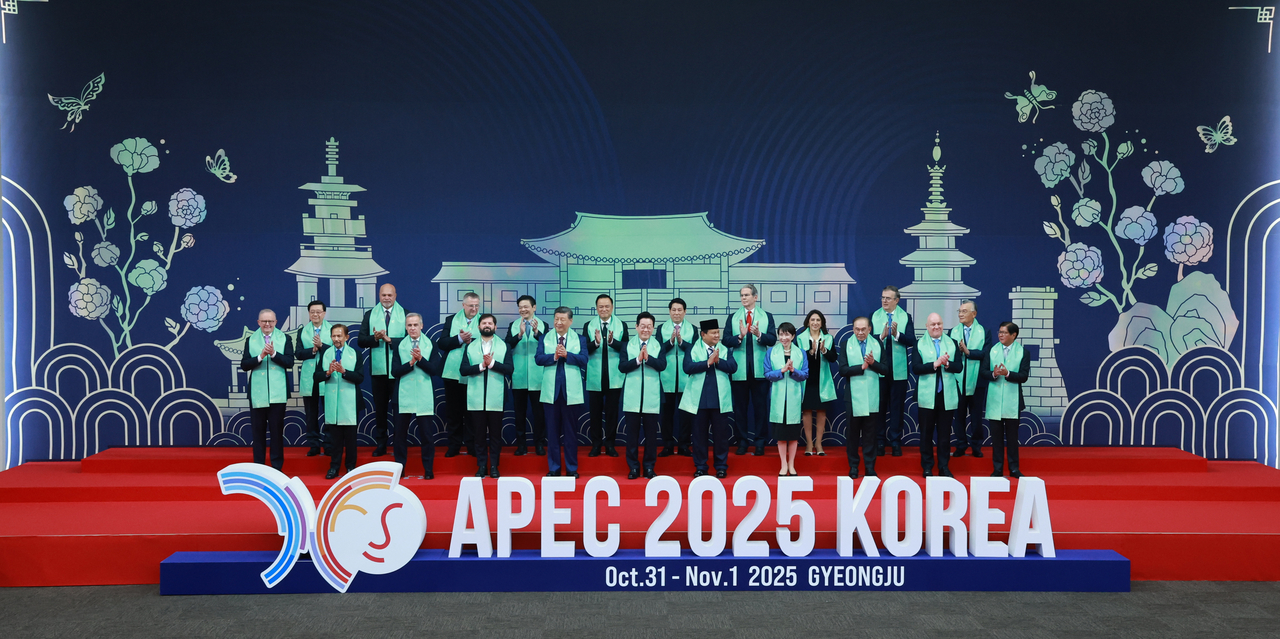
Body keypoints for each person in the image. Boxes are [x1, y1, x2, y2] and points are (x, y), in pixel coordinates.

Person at [722, 284, 777, 456]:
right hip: (739, 370)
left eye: (747, 295)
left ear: (755, 297)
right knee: (740, 409)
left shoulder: (767, 316)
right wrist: (740, 336)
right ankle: (742, 441)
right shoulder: (733, 317)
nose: (743, 298)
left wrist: (759, 335)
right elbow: (725, 341)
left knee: (761, 408)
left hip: (760, 370)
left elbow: (773, 339)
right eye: (741, 295)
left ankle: (760, 442)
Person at [536, 307, 589, 478]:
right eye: (556, 319)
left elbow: (584, 360)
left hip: (571, 393)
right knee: (551, 432)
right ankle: (554, 468)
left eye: (562, 319)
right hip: (550, 392)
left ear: (570, 321)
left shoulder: (580, 339)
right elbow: (538, 359)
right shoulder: (544, 338)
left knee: (571, 433)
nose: (558, 322)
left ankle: (572, 468)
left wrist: (567, 355)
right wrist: (554, 356)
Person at [681, 319, 738, 479]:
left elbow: (733, 368)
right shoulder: (692, 348)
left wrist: (718, 361)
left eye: (718, 332)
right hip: (698, 400)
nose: (717, 335)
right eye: (713, 333)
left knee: (721, 436)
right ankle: (701, 466)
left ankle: (721, 466)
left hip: (720, 399)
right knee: (699, 436)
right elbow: (687, 368)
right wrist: (707, 362)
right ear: (703, 334)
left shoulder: (724, 349)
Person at [390, 313, 444, 479]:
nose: (412, 328)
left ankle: (428, 470)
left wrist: (420, 359)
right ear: (406, 327)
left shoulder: (431, 344)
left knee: (427, 435)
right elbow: (395, 371)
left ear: (421, 326)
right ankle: (400, 470)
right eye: (409, 325)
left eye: (415, 325)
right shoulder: (399, 345)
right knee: (399, 436)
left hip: (423, 395)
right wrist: (411, 363)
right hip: (403, 394)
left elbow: (435, 370)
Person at [240, 309, 294, 471]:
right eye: (264, 321)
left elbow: (289, 362)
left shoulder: (285, 338)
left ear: (276, 322)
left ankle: (277, 467)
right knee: (258, 432)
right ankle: (259, 468)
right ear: (258, 323)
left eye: (270, 321)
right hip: (257, 393)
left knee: (277, 432)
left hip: (278, 393)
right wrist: (261, 356)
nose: (267, 324)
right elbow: (244, 365)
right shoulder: (251, 340)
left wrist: (274, 353)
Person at [461, 314, 514, 479]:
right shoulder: (470, 347)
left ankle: (494, 467)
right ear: (478, 327)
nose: (487, 325)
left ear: (495, 327)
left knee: (496, 435)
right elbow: (463, 370)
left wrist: (492, 364)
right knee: (479, 435)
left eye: (490, 323)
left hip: (496, 397)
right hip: (476, 398)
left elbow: (509, 369)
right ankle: (482, 465)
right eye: (484, 323)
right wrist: (481, 366)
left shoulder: (504, 346)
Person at [838, 317, 891, 478]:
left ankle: (869, 466)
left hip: (872, 395)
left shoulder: (877, 344)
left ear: (869, 329)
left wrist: (873, 363)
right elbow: (842, 370)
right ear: (853, 329)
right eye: (856, 329)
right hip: (852, 397)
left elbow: (885, 370)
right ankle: (854, 466)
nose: (860, 333)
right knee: (853, 434)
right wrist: (861, 367)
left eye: (863, 329)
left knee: (870, 434)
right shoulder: (846, 344)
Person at [911, 313, 963, 478]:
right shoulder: (919, 344)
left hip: (946, 395)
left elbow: (959, 367)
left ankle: (944, 467)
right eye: (932, 324)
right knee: (926, 434)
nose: (936, 327)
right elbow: (916, 368)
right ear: (927, 326)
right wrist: (935, 364)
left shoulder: (952, 343)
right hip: (927, 395)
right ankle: (927, 467)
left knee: (944, 435)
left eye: (939, 324)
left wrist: (947, 363)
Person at [618, 312, 669, 479]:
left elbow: (662, 365)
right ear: (636, 327)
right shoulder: (627, 345)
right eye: (642, 326)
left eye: (649, 326)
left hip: (652, 397)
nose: (645, 329)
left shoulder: (658, 345)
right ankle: (633, 467)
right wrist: (638, 360)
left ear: (653, 328)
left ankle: (648, 467)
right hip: (632, 397)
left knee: (651, 436)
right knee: (631, 436)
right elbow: (622, 367)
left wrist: (649, 359)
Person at [357, 283, 406, 457]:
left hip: (399, 372)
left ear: (395, 295)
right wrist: (375, 338)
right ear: (379, 296)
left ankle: (399, 445)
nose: (386, 298)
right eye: (383, 295)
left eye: (389, 295)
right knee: (380, 410)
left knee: (399, 411)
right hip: (378, 372)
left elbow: (411, 341)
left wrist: (389, 339)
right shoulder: (370, 315)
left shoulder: (405, 314)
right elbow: (361, 341)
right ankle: (381, 445)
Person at [871, 285, 916, 457]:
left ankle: (896, 442)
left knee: (897, 408)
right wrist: (881, 336)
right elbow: (867, 340)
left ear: (897, 300)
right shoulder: (874, 316)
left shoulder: (905, 317)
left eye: (888, 298)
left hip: (899, 370)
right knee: (880, 407)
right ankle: (880, 441)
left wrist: (897, 335)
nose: (884, 301)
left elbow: (912, 340)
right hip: (879, 369)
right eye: (882, 297)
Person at [314, 324, 364, 480]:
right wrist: (328, 373)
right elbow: (316, 376)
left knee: (350, 440)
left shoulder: (355, 353)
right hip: (332, 402)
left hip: (350, 403)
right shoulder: (326, 353)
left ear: (346, 337)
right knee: (334, 440)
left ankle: (350, 468)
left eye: (339, 336)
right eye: (334, 336)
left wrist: (344, 372)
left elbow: (360, 378)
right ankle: (334, 467)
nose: (336, 339)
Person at [984, 322, 1030, 478]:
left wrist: (1008, 373)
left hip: (1013, 401)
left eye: (1004, 333)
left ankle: (1014, 469)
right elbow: (984, 372)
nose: (1000, 335)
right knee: (996, 439)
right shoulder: (991, 350)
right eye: (1000, 332)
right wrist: (995, 374)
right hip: (995, 400)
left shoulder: (1023, 352)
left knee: (1012, 438)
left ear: (1013, 335)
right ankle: (997, 469)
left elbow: (1023, 376)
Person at [438, 292, 482, 457]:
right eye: (471, 305)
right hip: (452, 373)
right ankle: (454, 445)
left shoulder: (483, 319)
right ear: (463, 305)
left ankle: (472, 446)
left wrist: (475, 342)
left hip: (474, 372)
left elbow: (490, 341)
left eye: (477, 305)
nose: (474, 309)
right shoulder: (451, 320)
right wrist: (459, 339)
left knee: (472, 412)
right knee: (454, 411)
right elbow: (441, 343)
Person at [584, 294, 628, 457]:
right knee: (594, 414)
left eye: (607, 306)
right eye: (601, 307)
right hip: (595, 376)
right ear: (596, 308)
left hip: (614, 376)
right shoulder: (589, 325)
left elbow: (626, 348)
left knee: (612, 413)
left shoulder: (621, 325)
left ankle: (610, 444)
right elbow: (583, 349)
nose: (604, 309)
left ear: (612, 307)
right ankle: (596, 445)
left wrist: (612, 343)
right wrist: (595, 343)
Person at [764, 322, 808, 476]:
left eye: (787, 334)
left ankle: (792, 464)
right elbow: (767, 374)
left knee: (793, 436)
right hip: (778, 399)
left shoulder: (801, 353)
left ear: (793, 336)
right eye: (781, 334)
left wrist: (793, 370)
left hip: (794, 399)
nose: (784, 337)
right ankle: (783, 464)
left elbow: (805, 374)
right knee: (781, 436)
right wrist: (781, 371)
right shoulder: (771, 352)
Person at [505, 295, 547, 456]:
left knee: (539, 414)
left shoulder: (544, 325)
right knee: (519, 413)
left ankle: (539, 444)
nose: (523, 309)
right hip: (519, 376)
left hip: (538, 376)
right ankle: (521, 445)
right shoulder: (513, 325)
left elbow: (547, 344)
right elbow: (507, 345)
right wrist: (519, 335)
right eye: (520, 307)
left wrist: (536, 332)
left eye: (526, 306)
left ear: (534, 307)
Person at [656, 298, 698, 457]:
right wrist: (670, 342)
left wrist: (681, 343)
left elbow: (695, 352)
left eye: (680, 310)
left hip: (686, 379)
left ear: (685, 312)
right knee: (666, 415)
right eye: (673, 310)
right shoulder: (661, 328)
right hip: (666, 378)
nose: (676, 313)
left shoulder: (693, 329)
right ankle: (667, 445)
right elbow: (658, 351)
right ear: (669, 311)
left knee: (685, 415)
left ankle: (684, 445)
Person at [293, 300, 332, 457]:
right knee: (311, 414)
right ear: (309, 314)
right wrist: (313, 350)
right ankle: (314, 445)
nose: (315, 314)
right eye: (312, 312)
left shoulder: (333, 330)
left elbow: (338, 349)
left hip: (328, 376)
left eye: (318, 312)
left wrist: (322, 346)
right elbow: (298, 353)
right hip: (310, 377)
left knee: (329, 413)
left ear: (324, 313)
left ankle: (329, 444)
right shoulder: (302, 331)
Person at [796, 310, 837, 457]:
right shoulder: (800, 338)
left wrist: (824, 350)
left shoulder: (828, 338)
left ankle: (819, 443)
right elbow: (798, 358)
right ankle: (808, 443)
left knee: (821, 412)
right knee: (806, 411)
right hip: (806, 381)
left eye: (818, 320)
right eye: (812, 320)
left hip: (822, 381)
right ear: (808, 322)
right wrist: (811, 351)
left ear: (822, 323)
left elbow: (833, 358)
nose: (815, 323)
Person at [951, 300, 989, 458]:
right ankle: (960, 445)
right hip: (957, 381)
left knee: (976, 416)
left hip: (977, 382)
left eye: (964, 311)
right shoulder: (953, 332)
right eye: (959, 311)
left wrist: (968, 352)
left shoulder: (984, 331)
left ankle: (976, 446)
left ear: (974, 314)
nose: (960, 314)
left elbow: (985, 355)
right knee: (958, 415)